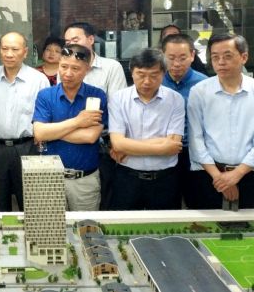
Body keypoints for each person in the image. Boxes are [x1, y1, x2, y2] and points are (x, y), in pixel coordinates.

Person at [0, 32, 49, 211]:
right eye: (5, 48)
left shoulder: (39, 80)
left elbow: (46, 120)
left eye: (15, 49)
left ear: (25, 52)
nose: (9, 54)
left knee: (31, 203)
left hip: (28, 147)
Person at [33, 44, 107, 211]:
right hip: (50, 179)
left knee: (85, 225)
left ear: (87, 69)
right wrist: (78, 122)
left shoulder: (96, 96)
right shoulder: (45, 95)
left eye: (75, 68)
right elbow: (39, 133)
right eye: (64, 66)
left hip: (85, 179)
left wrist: (52, 131)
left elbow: (90, 137)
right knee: (52, 225)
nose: (68, 73)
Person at [108, 48, 184, 210]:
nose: (147, 81)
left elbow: (173, 144)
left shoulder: (175, 99)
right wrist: (162, 146)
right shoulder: (118, 99)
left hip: (165, 179)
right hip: (127, 177)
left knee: (165, 225)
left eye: (154, 75)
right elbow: (118, 144)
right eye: (141, 75)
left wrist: (128, 146)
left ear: (164, 73)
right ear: (132, 72)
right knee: (125, 224)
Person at [64, 22, 127, 210]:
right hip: (73, 142)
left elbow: (116, 108)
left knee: (104, 199)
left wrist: (116, 142)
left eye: (75, 39)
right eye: (67, 41)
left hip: (103, 144)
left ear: (90, 39)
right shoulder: (66, 67)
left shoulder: (111, 67)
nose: (70, 44)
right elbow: (65, 109)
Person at [188, 34, 254, 209]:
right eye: (215, 57)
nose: (221, 62)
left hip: (249, 174)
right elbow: (196, 139)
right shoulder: (199, 91)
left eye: (227, 56)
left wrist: (237, 174)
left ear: (244, 57)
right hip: (209, 175)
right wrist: (220, 177)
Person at [160, 33, 207, 208]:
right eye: (171, 58)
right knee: (167, 203)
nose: (177, 64)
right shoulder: (155, 82)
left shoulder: (204, 84)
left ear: (192, 55)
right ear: (162, 56)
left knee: (197, 202)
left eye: (182, 58)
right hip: (162, 150)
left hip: (194, 152)